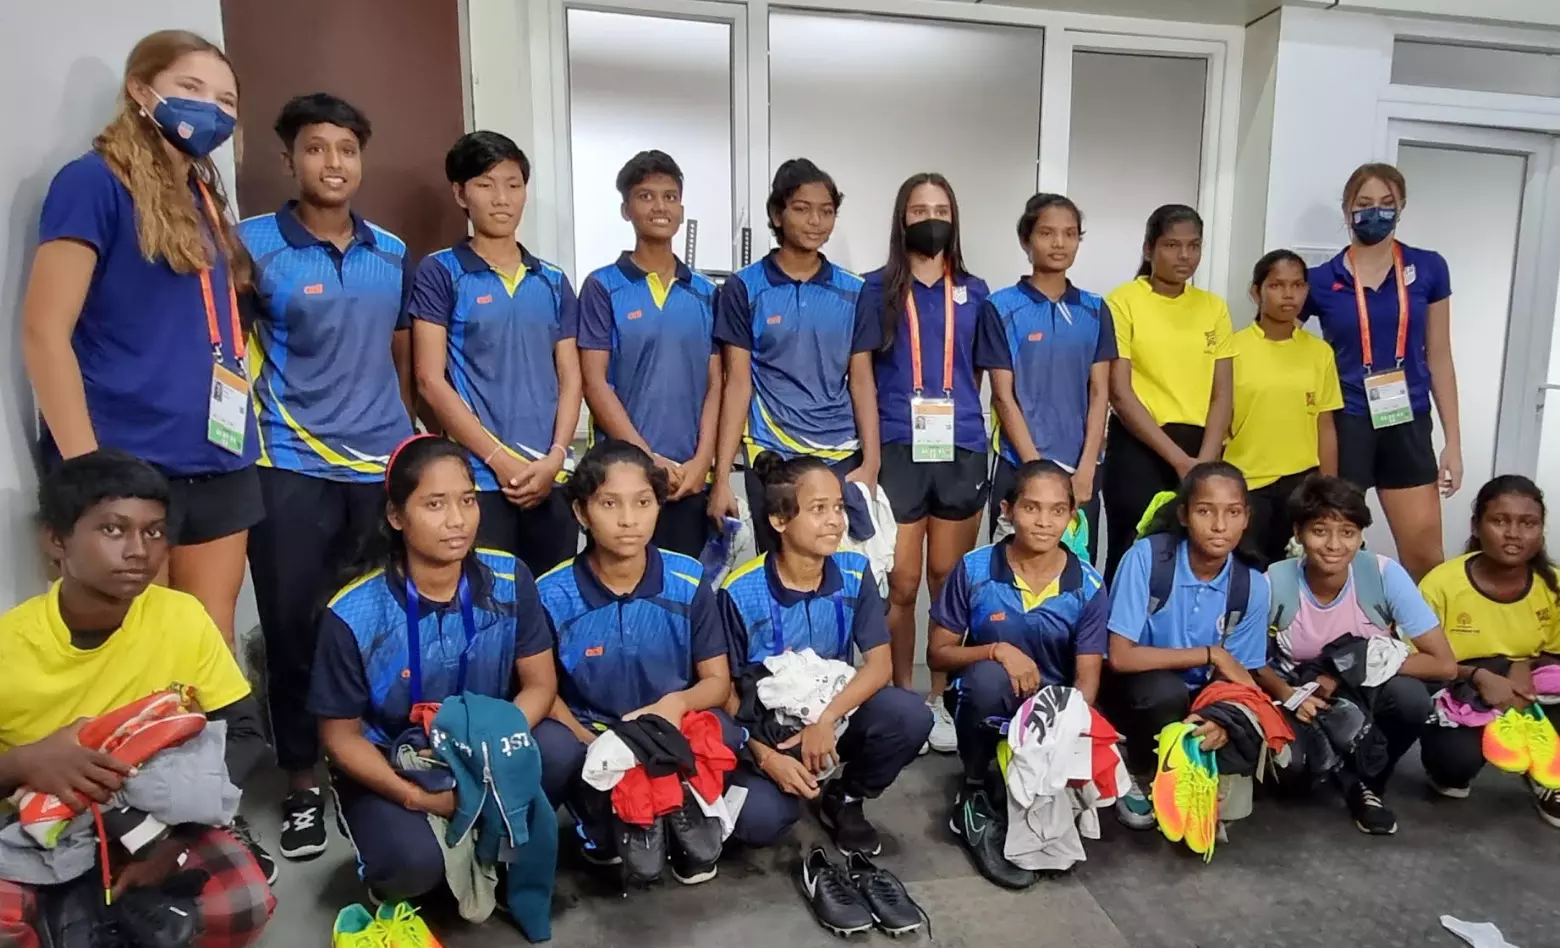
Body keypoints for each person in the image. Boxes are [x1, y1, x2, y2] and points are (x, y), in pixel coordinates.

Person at [21, 30, 257, 650]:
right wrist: (88, 475)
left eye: (227, 100)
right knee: (133, 648)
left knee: (208, 642)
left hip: (219, 455)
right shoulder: (92, 183)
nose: (212, 109)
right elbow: (45, 333)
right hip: (127, 460)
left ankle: (212, 752)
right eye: (191, 89)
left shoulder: (205, 197)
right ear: (140, 90)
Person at [237, 92, 417, 863]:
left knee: (381, 624)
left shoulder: (392, 251)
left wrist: (412, 445)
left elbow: (407, 357)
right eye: (316, 148)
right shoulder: (250, 246)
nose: (332, 164)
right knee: (294, 629)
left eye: (346, 149)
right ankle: (304, 781)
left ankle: (373, 761)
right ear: (289, 158)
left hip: (380, 468)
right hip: (290, 464)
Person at [0, 451, 274, 946]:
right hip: (40, 824)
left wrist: (177, 835)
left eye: (153, 532)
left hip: (159, 815)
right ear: (56, 540)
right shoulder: (8, 646)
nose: (139, 550)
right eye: (112, 530)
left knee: (243, 903)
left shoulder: (180, 617)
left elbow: (247, 732)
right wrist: (26, 761)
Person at [307, 435, 558, 901]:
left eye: (467, 500)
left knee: (559, 750)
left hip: (484, 747)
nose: (457, 520)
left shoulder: (509, 577)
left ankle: (499, 848)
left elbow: (540, 685)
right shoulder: (354, 613)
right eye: (435, 504)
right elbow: (340, 737)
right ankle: (399, 847)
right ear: (397, 516)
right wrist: (418, 797)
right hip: (393, 763)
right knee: (413, 868)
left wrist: (495, 750)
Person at [530, 442, 734, 883]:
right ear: (582, 513)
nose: (628, 520)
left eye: (643, 503)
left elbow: (716, 682)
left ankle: (676, 807)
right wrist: (590, 745)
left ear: (658, 506)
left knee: (727, 730)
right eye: (609, 503)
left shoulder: (688, 579)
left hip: (669, 733)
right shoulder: (549, 593)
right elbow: (542, 692)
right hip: (595, 737)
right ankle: (599, 825)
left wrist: (675, 706)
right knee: (550, 748)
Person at [718, 452, 932, 856]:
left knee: (909, 714)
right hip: (768, 733)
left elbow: (880, 664)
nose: (835, 520)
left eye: (838, 506)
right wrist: (766, 757)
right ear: (780, 521)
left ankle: (845, 798)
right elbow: (725, 692)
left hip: (833, 717)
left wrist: (827, 719)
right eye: (819, 509)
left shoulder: (854, 571)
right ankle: (781, 784)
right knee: (760, 822)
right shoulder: (738, 591)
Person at [927, 460, 1107, 887]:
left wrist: (1062, 729)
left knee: (1053, 835)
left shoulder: (1089, 586)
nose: (1044, 522)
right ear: (1007, 510)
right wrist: (997, 650)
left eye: (1057, 511)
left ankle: (1023, 782)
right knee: (987, 679)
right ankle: (971, 785)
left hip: (1050, 715)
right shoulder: (974, 569)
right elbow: (938, 654)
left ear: (1072, 516)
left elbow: (1087, 683)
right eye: (1031, 508)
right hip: (988, 700)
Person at [410, 130, 582, 579]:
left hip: (552, 480)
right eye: (486, 185)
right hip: (478, 482)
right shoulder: (440, 272)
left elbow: (571, 377)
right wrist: (499, 461)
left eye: (513, 184)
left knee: (552, 609)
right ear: (460, 193)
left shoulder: (553, 279)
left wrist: (556, 457)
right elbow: (429, 379)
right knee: (490, 611)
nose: (501, 198)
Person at [858, 173, 990, 752]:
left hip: (958, 445)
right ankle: (900, 697)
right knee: (903, 582)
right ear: (901, 219)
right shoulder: (876, 289)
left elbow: (978, 374)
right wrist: (868, 453)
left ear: (955, 217)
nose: (929, 218)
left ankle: (941, 697)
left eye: (939, 208)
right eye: (918, 210)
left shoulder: (978, 292)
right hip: (897, 444)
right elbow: (861, 371)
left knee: (948, 579)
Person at [1253, 476, 1455, 834]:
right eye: (1320, 531)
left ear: (1361, 535)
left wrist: (1348, 667)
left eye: (1347, 532)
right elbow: (1249, 660)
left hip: (1365, 688)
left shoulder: (1382, 575)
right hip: (1302, 696)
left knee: (1410, 699)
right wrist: (1290, 694)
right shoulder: (1275, 581)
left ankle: (1368, 783)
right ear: (1298, 532)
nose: (1334, 545)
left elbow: (1443, 664)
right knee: (1293, 780)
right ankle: (1340, 770)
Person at [709, 160, 877, 553]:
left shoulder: (855, 291)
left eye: (827, 210)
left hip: (839, 453)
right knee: (778, 573)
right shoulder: (743, 288)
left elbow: (863, 381)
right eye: (802, 208)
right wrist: (720, 479)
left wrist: (870, 464)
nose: (816, 221)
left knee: (840, 575)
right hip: (771, 453)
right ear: (777, 214)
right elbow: (737, 384)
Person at [1305, 162, 1462, 580]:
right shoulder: (1320, 280)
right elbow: (1281, 343)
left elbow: (1440, 355)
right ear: (1347, 211)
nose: (1375, 213)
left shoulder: (1428, 267)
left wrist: (1454, 442)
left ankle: (1426, 644)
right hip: (1346, 421)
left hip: (1407, 417)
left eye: (1386, 204)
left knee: (1425, 558)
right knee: (1334, 552)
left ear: (1402, 207)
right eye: (1364, 204)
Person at [1102, 462, 1270, 829]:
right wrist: (1211, 653)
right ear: (1183, 514)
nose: (1220, 526)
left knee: (1280, 764)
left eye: (1233, 512)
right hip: (1136, 690)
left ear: (1247, 518)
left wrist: (1221, 721)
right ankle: (1139, 767)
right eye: (1205, 511)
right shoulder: (1146, 559)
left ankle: (1189, 766)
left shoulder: (1253, 584)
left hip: (1200, 699)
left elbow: (1240, 678)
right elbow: (1120, 656)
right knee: (1165, 692)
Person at [578, 151, 720, 558]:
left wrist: (702, 461)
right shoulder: (603, 287)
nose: (660, 207)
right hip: (623, 477)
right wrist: (646, 459)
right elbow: (594, 382)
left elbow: (717, 384)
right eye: (646, 196)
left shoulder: (706, 292)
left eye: (670, 197)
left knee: (684, 595)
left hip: (690, 478)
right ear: (626, 209)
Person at [1418, 475, 1560, 827]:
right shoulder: (1443, 584)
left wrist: (1522, 666)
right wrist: (1479, 676)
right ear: (1477, 526)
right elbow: (1412, 658)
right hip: (1464, 689)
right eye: (1500, 521)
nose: (1513, 533)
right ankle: (1454, 761)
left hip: (1533, 691)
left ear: (1541, 530)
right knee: (1453, 770)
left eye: (1528, 523)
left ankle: (1546, 772)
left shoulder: (1553, 585)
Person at [1103, 205, 1235, 582]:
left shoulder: (1213, 307)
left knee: (1194, 558)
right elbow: (1120, 392)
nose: (1184, 256)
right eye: (1172, 245)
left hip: (1201, 447)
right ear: (1149, 249)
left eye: (1193, 246)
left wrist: (1204, 463)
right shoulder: (1123, 301)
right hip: (1141, 445)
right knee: (1131, 555)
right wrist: (1179, 460)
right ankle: (1121, 642)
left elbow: (1222, 394)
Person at [979, 193, 1114, 558]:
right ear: (1026, 240)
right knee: (1008, 573)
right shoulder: (1001, 307)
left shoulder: (1096, 309)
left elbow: (1100, 391)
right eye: (1047, 233)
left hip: (1081, 472)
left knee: (1075, 574)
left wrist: (1086, 468)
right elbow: (1003, 396)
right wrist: (1036, 470)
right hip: (1018, 465)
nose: (1059, 243)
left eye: (1070, 234)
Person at [1226, 251, 1343, 565]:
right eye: (1277, 285)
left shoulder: (1319, 353)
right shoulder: (1231, 349)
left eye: (1297, 285)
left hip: (1301, 484)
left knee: (1294, 575)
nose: (1288, 294)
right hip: (1246, 483)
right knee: (1247, 573)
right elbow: (1217, 418)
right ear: (1256, 292)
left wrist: (1328, 492)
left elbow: (1325, 423)